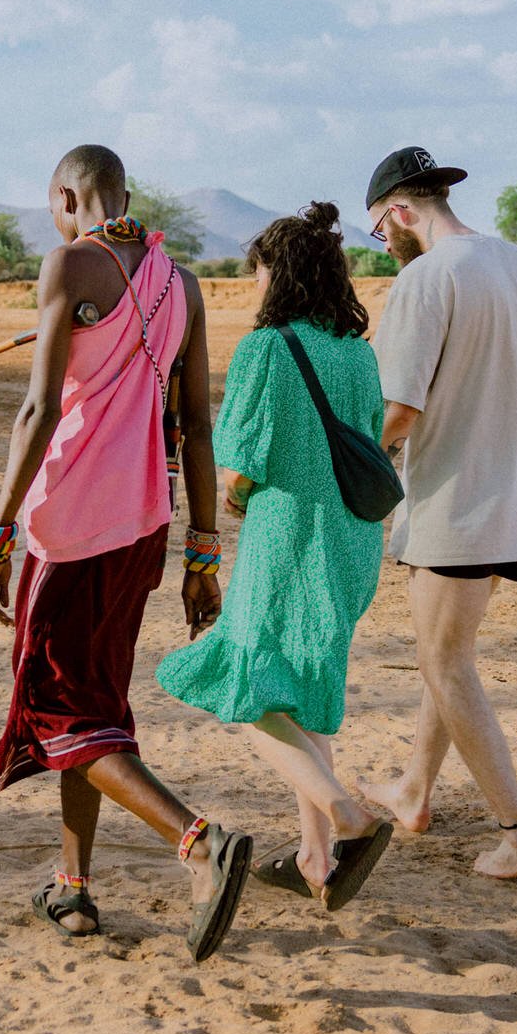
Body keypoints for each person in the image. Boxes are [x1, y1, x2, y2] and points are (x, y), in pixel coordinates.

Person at [0, 144, 254, 961]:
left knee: (63, 710)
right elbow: (198, 425)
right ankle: (75, 886)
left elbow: (36, 409)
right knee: (94, 707)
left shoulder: (68, 266)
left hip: (73, 526)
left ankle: (199, 840)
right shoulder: (183, 285)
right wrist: (205, 554)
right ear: (123, 193)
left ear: (66, 195)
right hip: (145, 528)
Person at [357, 147, 517, 880]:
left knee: (444, 658)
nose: (386, 246)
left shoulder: (427, 278)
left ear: (399, 213)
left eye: (380, 232)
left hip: (454, 502)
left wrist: (347, 476)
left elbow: (399, 410)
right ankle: (413, 791)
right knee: (452, 648)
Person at [156, 203, 395, 909]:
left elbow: (241, 459)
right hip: (353, 536)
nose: (251, 282)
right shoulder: (358, 351)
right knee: (309, 691)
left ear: (279, 273)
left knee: (248, 692)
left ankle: (347, 819)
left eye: (256, 269)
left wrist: (234, 495)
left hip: (288, 535)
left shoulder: (268, 348)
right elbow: (373, 434)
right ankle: (317, 856)